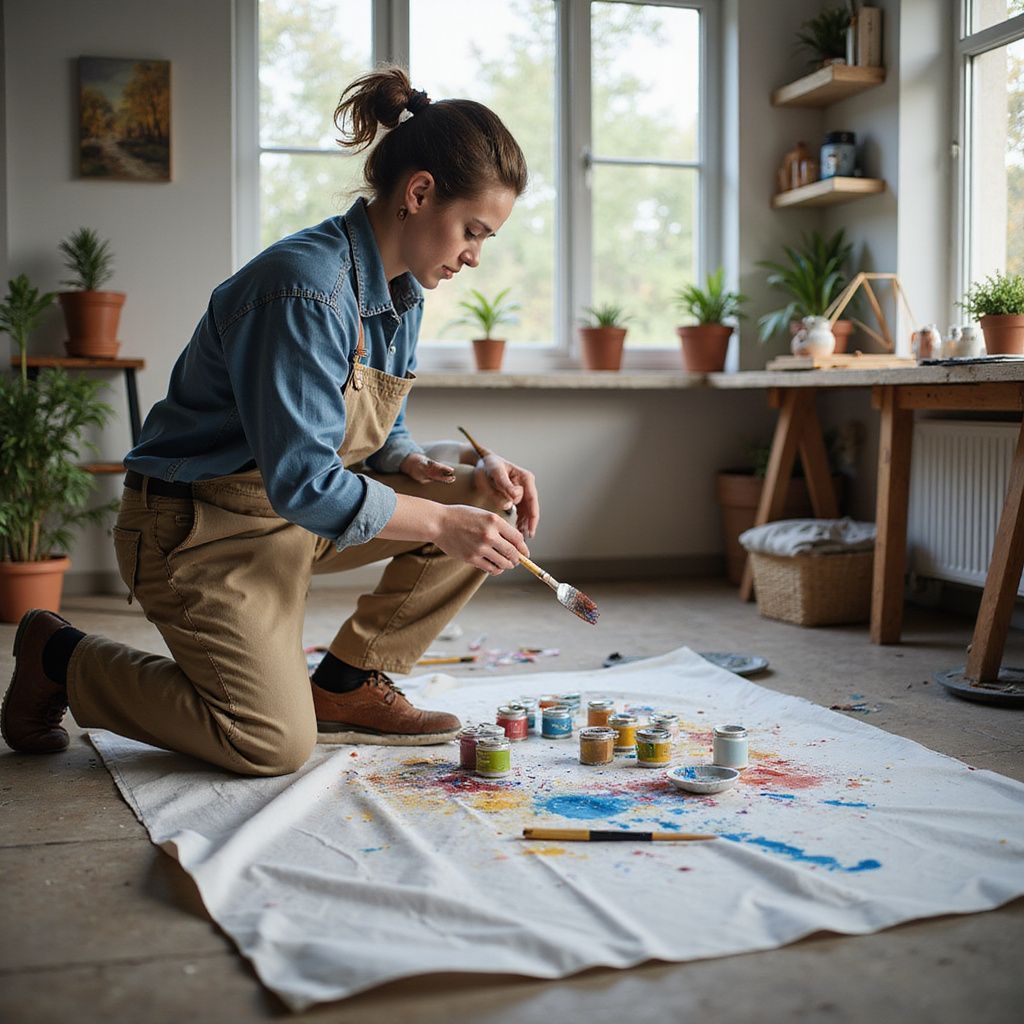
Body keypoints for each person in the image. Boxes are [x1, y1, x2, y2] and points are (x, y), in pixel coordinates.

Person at [1, 67, 538, 776]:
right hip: (197, 531)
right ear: (418, 193)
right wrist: (439, 522)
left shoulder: (403, 291)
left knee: (481, 500)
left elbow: (381, 433)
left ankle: (345, 684)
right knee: (269, 743)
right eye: (473, 231)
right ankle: (61, 657)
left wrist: (447, 468)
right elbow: (308, 484)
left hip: (288, 519)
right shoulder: (305, 291)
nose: (474, 255)